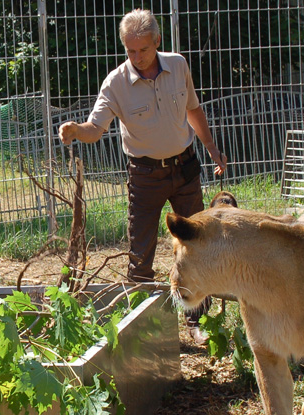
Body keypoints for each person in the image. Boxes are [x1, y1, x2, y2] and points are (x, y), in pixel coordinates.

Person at [58, 8, 227, 345]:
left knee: (196, 245)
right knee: (141, 253)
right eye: (130, 51)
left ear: (157, 42)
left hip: (185, 168)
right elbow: (95, 128)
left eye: (143, 50)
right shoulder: (116, 83)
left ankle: (196, 323)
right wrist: (77, 129)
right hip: (145, 176)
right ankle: (143, 328)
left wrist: (211, 148)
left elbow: (193, 109)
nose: (136, 57)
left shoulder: (178, 65)